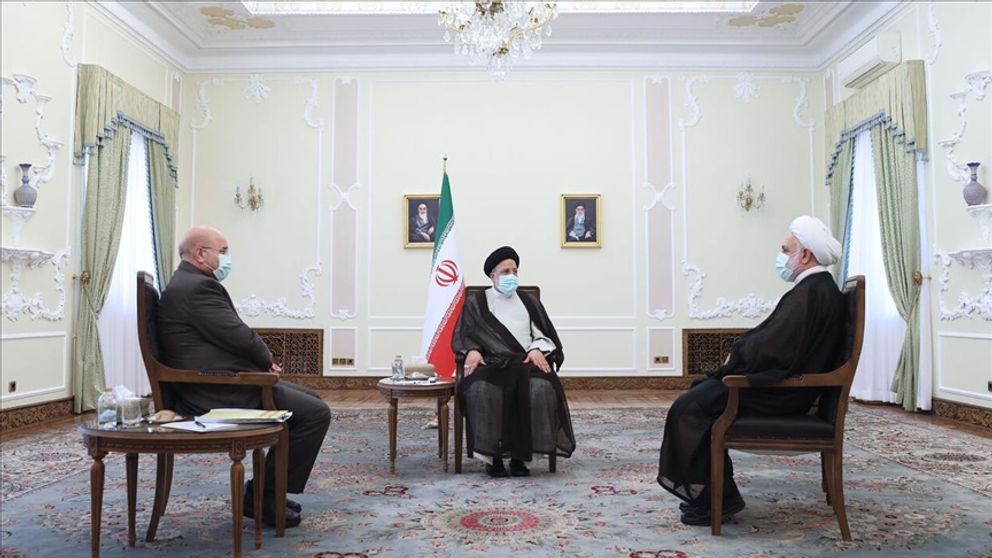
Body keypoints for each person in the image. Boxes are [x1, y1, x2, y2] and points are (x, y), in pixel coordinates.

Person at [657, 215, 847, 526]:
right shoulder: (814, 288)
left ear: (804, 255)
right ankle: (718, 494)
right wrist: (742, 351)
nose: (781, 256)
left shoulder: (813, 292)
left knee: (688, 410)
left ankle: (715, 501)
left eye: (785, 250)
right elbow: (778, 341)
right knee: (697, 397)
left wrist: (738, 353)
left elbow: (777, 348)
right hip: (784, 387)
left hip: (783, 395)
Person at [157, 225, 331, 528]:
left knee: (311, 401)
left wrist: (260, 366)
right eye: (223, 251)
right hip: (214, 390)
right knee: (315, 413)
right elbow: (237, 335)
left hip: (216, 380)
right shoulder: (198, 287)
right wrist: (266, 360)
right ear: (200, 253)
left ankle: (266, 492)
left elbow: (222, 338)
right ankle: (262, 496)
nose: (227, 258)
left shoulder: (186, 282)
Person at [452, 246, 576, 478]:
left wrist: (537, 348)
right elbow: (465, 335)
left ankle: (523, 458)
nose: (511, 276)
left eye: (515, 271)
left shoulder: (529, 302)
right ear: (493, 276)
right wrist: (473, 350)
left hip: (524, 363)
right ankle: (493, 457)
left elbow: (544, 333)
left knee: (541, 387)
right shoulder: (476, 303)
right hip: (490, 366)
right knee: (481, 389)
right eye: (506, 271)